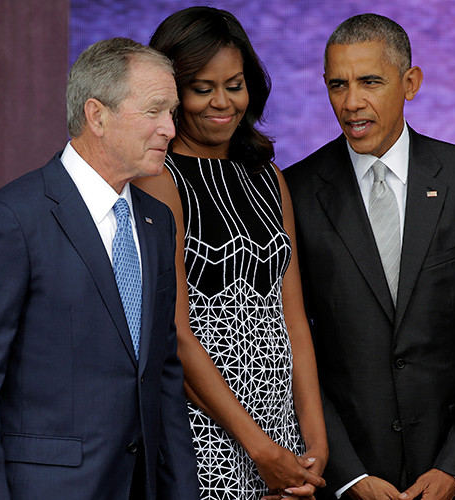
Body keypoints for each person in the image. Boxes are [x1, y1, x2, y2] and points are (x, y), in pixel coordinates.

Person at [0, 37, 199, 499]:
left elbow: (162, 378)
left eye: (173, 113)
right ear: (97, 115)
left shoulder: (157, 223)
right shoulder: (10, 220)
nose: (170, 130)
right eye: (155, 111)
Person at [283, 13, 455, 500]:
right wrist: (348, 474)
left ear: (410, 83)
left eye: (370, 82)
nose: (351, 103)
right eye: (337, 85)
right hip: (347, 480)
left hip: (454, 479)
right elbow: (291, 345)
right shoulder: (295, 192)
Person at [136, 7, 328, 499]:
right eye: (202, 88)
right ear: (171, 92)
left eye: (235, 84)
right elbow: (174, 332)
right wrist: (260, 450)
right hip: (204, 437)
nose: (222, 102)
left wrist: (315, 444)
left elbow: (294, 319)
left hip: (282, 436)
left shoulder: (269, 176)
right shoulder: (158, 181)